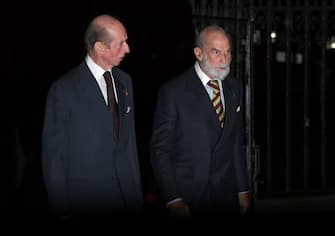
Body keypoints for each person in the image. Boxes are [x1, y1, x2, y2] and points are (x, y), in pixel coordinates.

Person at [42, 15, 143, 221]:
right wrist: (62, 210)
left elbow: (129, 143)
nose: (128, 49)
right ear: (100, 47)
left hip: (127, 200)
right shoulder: (64, 90)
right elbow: (54, 157)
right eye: (121, 43)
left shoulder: (125, 82)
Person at [150, 25, 249, 218]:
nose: (225, 59)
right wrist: (173, 198)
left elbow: (236, 144)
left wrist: (243, 190)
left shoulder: (234, 87)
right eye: (216, 52)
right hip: (188, 196)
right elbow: (160, 149)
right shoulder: (173, 91)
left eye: (228, 52)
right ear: (198, 53)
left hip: (226, 196)